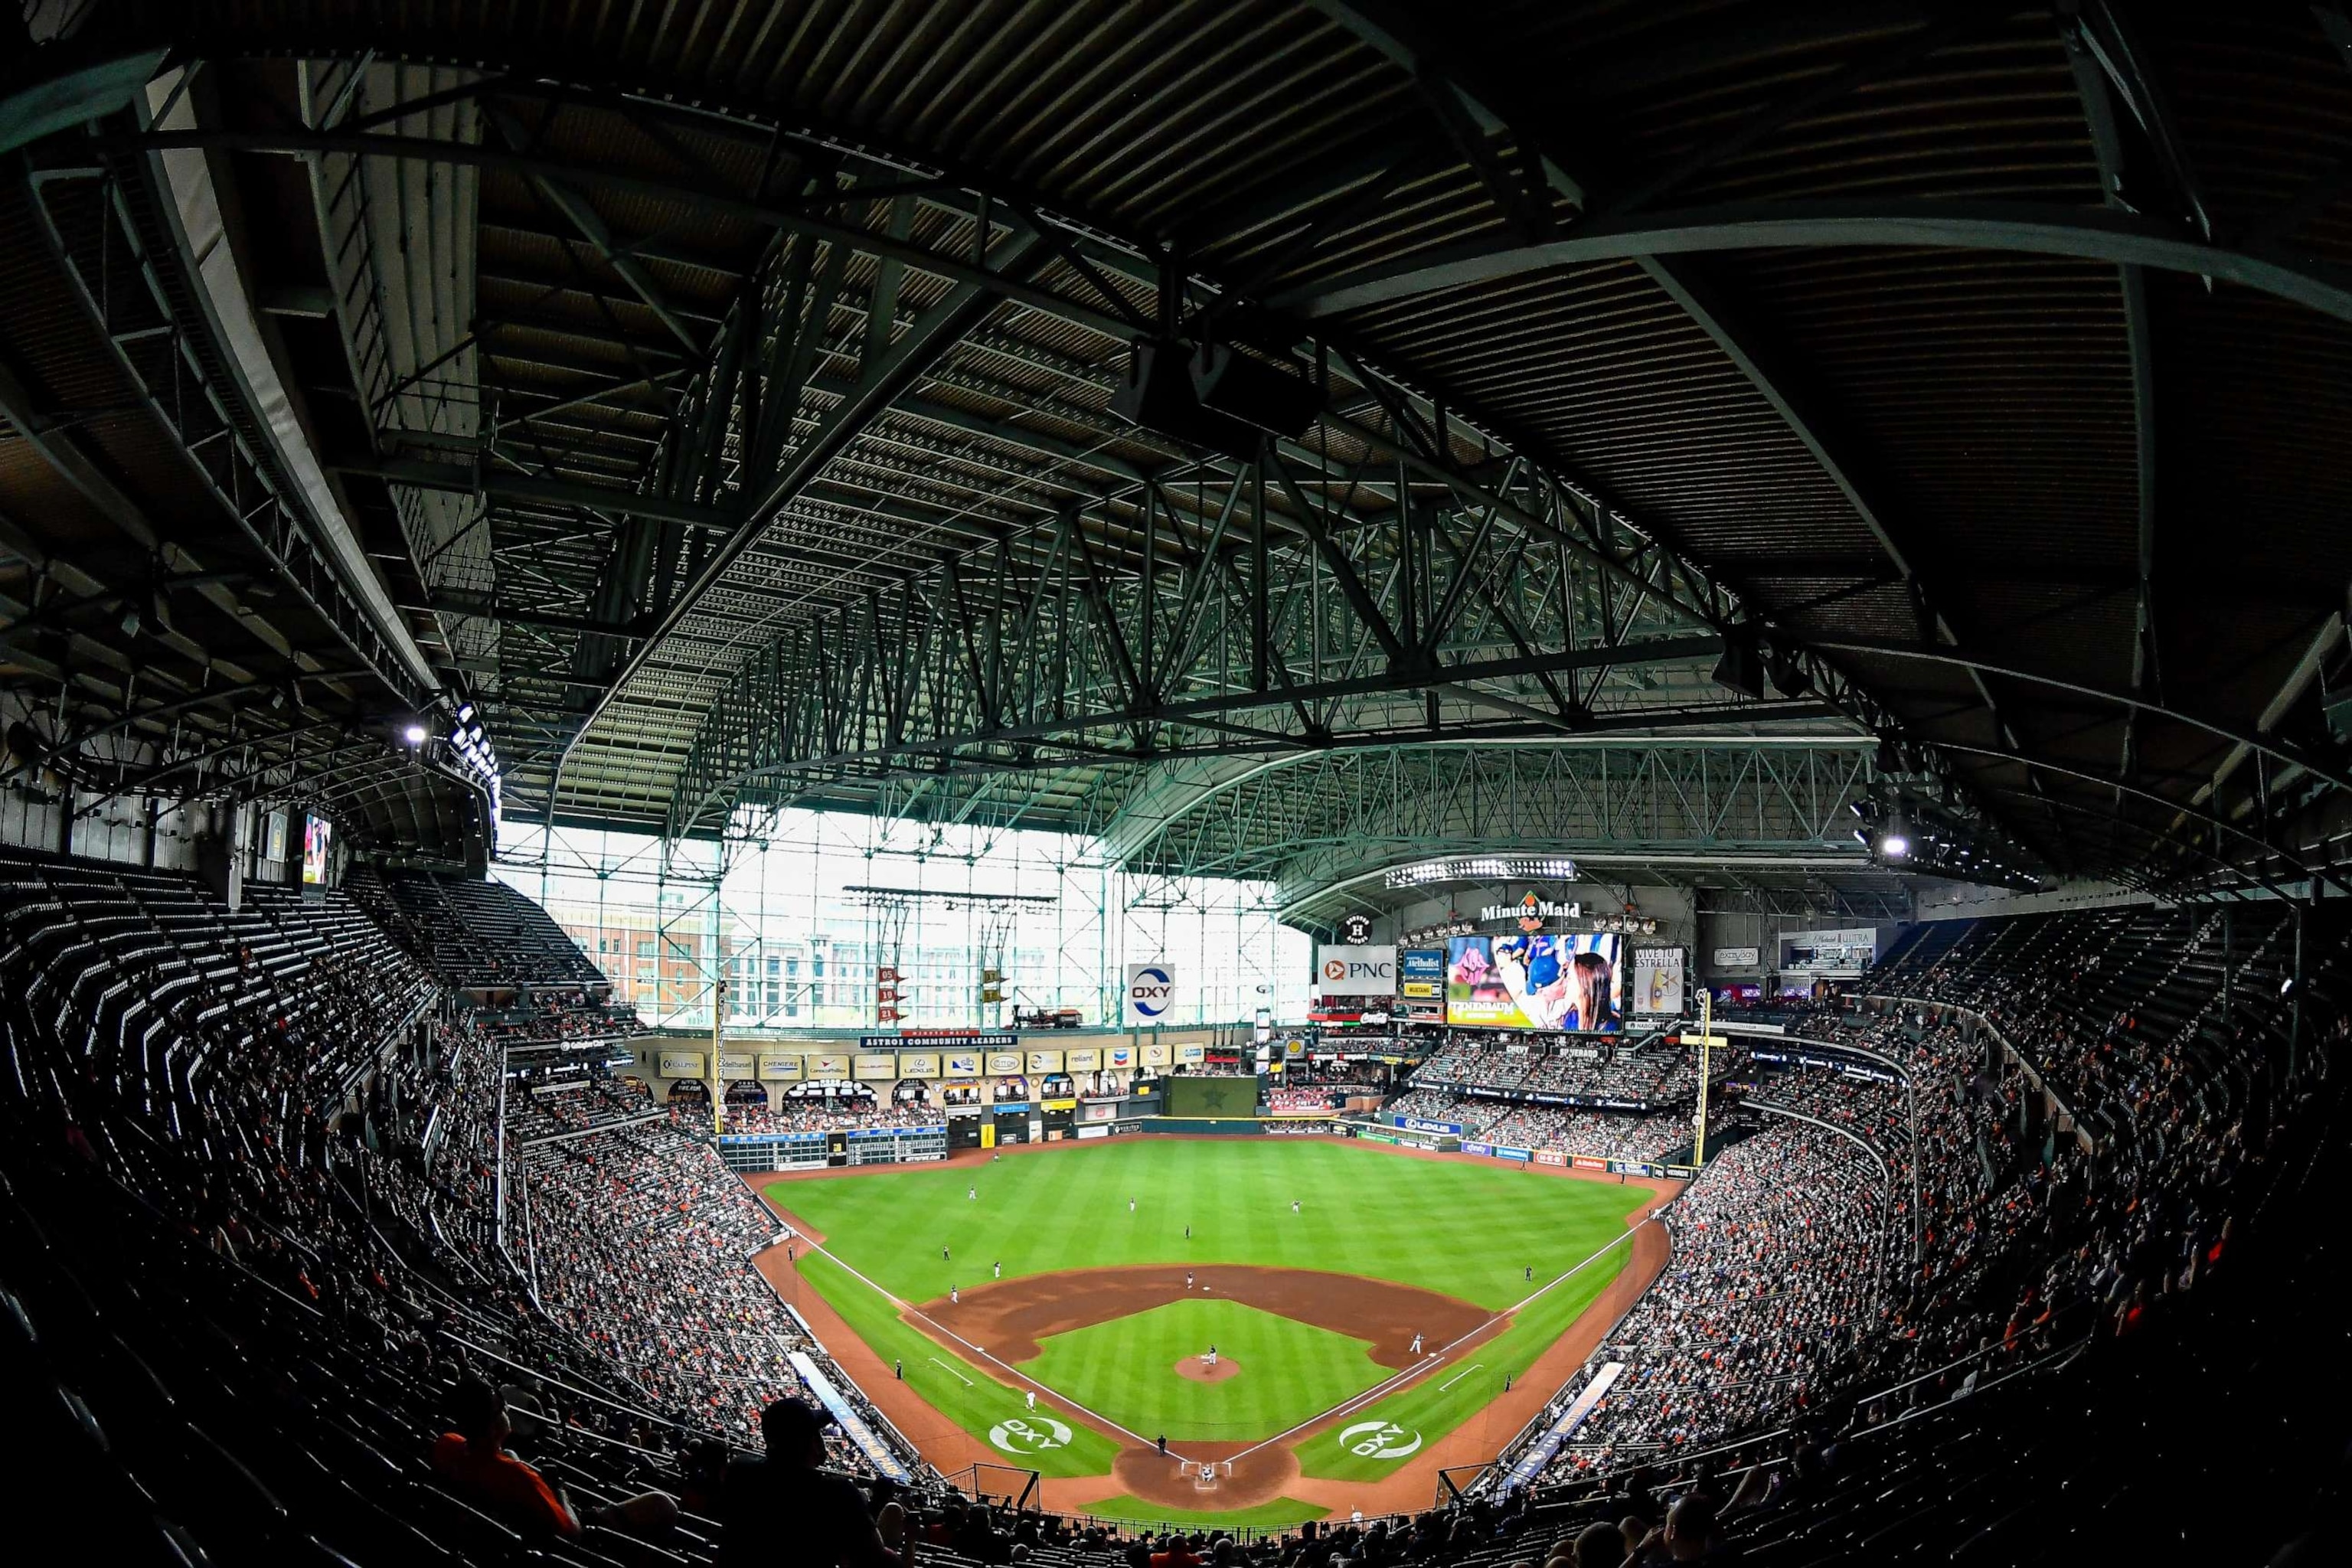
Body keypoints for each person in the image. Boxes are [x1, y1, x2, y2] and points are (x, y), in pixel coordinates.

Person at [431, 1376, 676, 1540]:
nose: (508, 1411)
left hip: (496, 1517)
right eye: (503, 1408)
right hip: (571, 1532)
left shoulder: (446, 1444)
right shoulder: (518, 1476)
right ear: (493, 1425)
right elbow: (573, 1533)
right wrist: (559, 1489)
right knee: (662, 1503)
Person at [722, 1396, 910, 1568]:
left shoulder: (740, 1471)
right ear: (811, 1442)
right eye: (816, 1434)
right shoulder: (838, 1493)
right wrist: (910, 1542)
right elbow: (877, 1559)